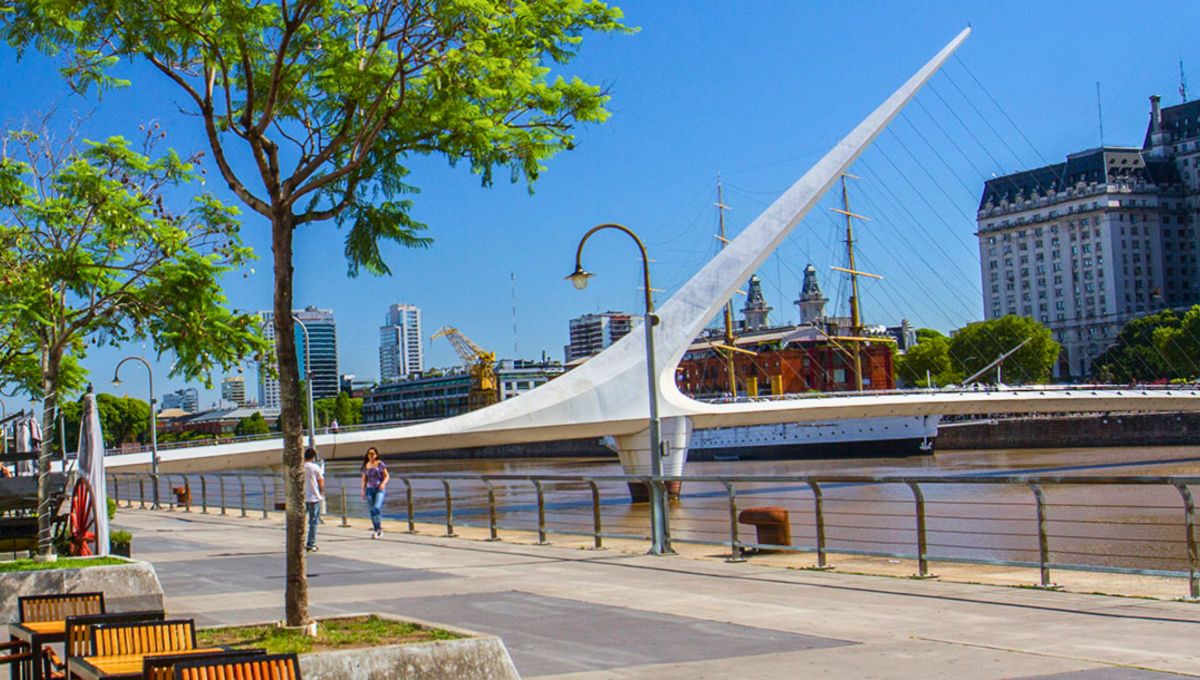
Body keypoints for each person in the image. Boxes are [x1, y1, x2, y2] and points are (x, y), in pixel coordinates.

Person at [360, 447, 389, 539]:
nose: (371, 455)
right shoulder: (366, 465)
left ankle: (379, 526)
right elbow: (364, 480)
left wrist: (383, 483)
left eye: (372, 454)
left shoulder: (380, 464)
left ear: (376, 455)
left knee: (377, 507)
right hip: (369, 489)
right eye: (369, 454)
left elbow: (387, 476)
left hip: (379, 489)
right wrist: (363, 491)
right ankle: (376, 529)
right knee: (372, 510)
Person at [303, 448, 325, 552]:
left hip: (302, 498)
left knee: (301, 521)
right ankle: (311, 543)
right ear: (313, 457)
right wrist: (321, 492)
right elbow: (320, 481)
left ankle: (299, 541)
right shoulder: (315, 467)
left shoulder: (300, 467)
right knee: (313, 521)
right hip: (314, 497)